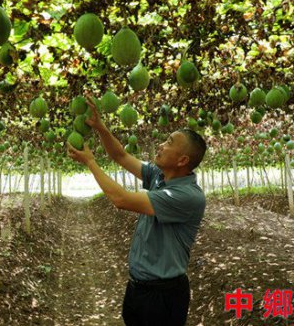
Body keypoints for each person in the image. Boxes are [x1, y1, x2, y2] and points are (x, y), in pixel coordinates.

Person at [67, 97, 207, 326]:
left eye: (169, 142)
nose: (161, 144)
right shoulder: (159, 177)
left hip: (163, 295)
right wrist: (100, 127)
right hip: (138, 288)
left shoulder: (187, 196)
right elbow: (120, 156)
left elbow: (121, 200)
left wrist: (91, 162)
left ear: (182, 160)